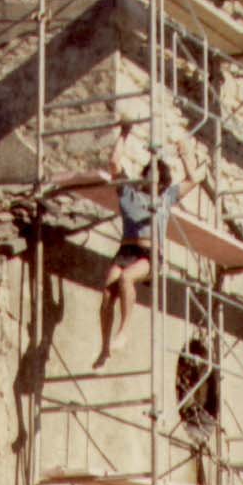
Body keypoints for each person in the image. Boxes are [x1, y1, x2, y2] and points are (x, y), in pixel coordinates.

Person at [94, 123, 201, 368]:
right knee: (107, 294)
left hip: (149, 254)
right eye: (148, 174)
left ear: (161, 181)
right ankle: (104, 348)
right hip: (126, 251)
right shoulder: (130, 193)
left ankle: (123, 331)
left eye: (155, 176)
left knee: (126, 279)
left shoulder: (164, 199)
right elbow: (114, 163)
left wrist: (185, 153)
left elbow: (193, 179)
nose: (150, 179)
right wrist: (124, 133)